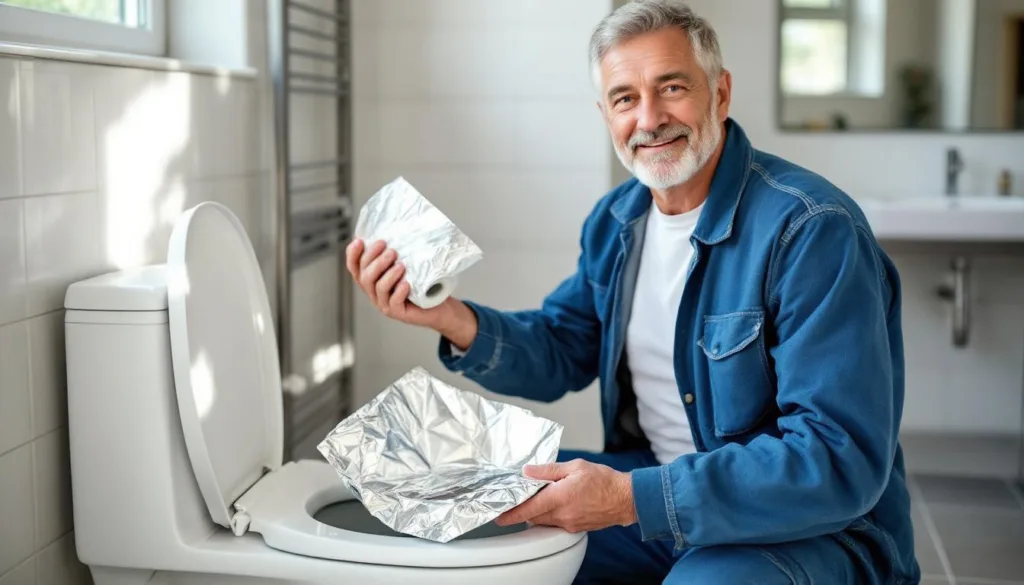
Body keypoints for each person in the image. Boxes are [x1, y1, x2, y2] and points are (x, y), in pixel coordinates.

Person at [345, 1, 919, 583]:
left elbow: (838, 457)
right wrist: (449, 317)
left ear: (720, 94)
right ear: (606, 114)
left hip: (808, 533)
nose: (649, 118)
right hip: (659, 498)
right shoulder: (617, 221)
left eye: (671, 88)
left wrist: (628, 499)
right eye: (625, 98)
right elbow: (564, 347)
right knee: (468, 525)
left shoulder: (811, 228)